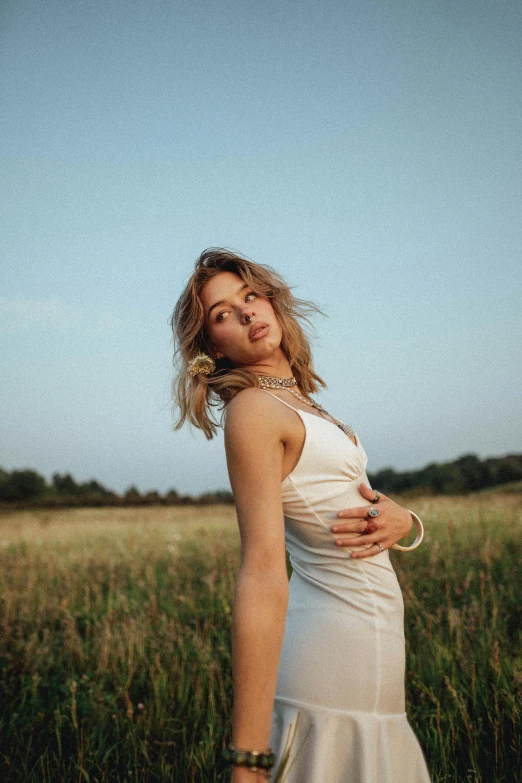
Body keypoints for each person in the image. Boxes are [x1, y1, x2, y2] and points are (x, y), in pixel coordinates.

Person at [170, 248, 431, 783]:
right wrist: (248, 757)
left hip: (374, 652)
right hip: (330, 659)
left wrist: (406, 521)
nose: (245, 313)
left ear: (271, 300)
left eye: (250, 296)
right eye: (222, 314)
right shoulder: (254, 411)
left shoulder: (303, 402)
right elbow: (263, 572)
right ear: (211, 349)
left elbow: (346, 501)